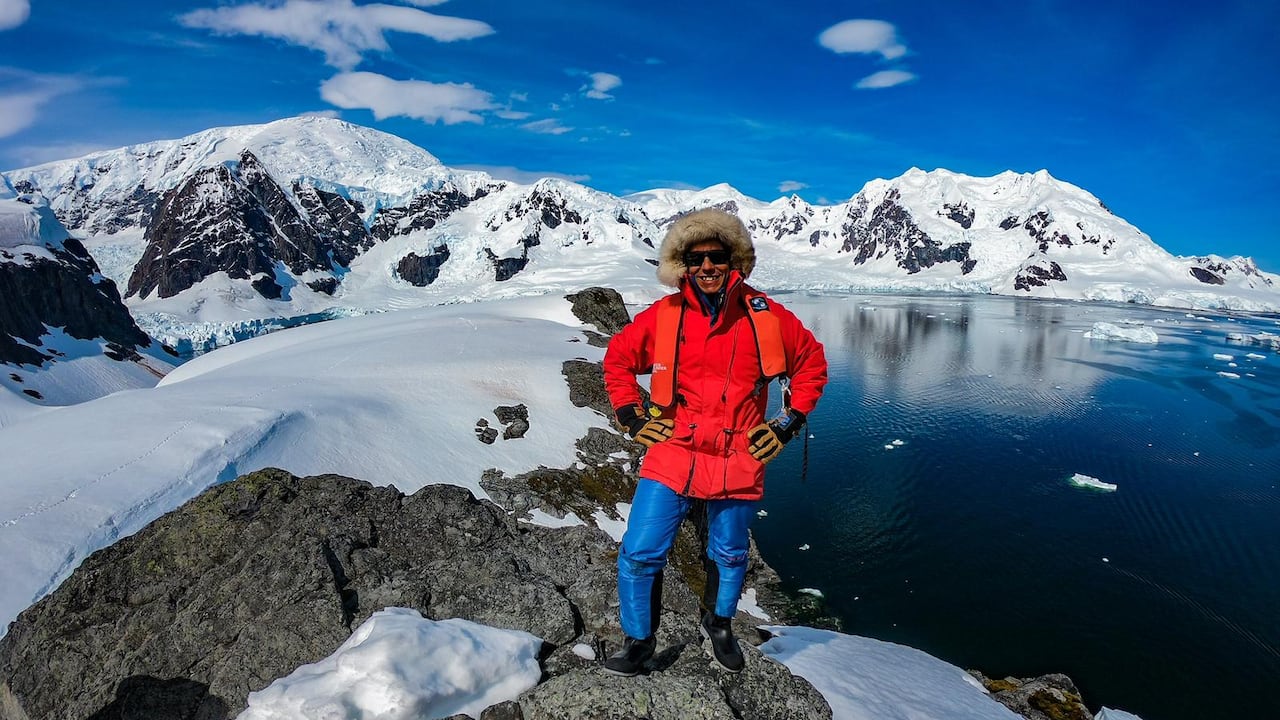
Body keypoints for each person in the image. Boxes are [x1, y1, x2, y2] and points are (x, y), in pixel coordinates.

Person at [601, 208, 828, 676]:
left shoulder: (767, 318)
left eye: (717, 256)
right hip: (674, 450)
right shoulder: (664, 318)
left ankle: (719, 623)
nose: (706, 267)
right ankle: (639, 641)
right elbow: (619, 358)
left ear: (734, 260)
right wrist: (630, 414)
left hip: (738, 453)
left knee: (730, 552)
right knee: (640, 551)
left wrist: (787, 423)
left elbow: (812, 365)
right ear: (682, 264)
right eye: (696, 257)